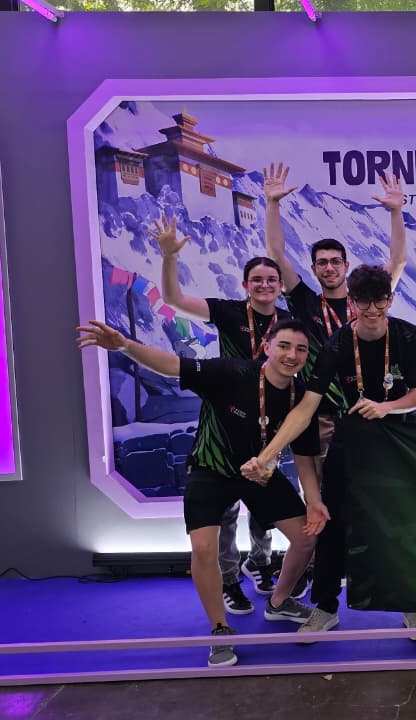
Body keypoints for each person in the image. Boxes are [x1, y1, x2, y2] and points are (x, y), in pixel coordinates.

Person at [77, 319, 327, 668]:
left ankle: (279, 601)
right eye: (284, 346)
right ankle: (219, 629)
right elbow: (171, 365)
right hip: (210, 470)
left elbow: (304, 457)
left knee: (306, 537)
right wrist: (124, 345)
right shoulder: (232, 372)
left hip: (259, 475)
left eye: (300, 349)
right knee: (204, 548)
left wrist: (314, 502)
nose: (292, 355)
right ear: (267, 347)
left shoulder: (301, 398)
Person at [242, 265, 416, 641]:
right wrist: (269, 453)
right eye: (364, 302)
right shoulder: (336, 344)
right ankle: (326, 607)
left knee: (406, 523)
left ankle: (412, 605)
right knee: (329, 524)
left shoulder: (409, 335)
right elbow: (307, 405)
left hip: (400, 440)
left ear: (390, 300)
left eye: (380, 301)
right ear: (353, 302)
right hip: (352, 439)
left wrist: (385, 407)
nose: (372, 310)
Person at [261, 162, 409, 598]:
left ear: (346, 265)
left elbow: (398, 260)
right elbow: (276, 254)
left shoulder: (367, 297)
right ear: (314, 269)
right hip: (322, 416)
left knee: (376, 494)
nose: (328, 268)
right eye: (321, 263)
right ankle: (324, 571)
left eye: (335, 261)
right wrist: (272, 204)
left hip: (371, 414)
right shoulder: (306, 302)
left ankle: (373, 569)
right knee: (324, 498)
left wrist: (396, 212)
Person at [152, 214, 292, 614]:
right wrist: (169, 257)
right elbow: (174, 300)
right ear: (245, 285)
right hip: (224, 416)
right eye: (257, 280)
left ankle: (260, 562)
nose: (264, 285)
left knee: (265, 496)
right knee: (226, 506)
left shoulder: (289, 323)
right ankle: (230, 579)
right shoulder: (229, 313)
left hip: (269, 417)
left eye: (271, 279)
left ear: (280, 285)